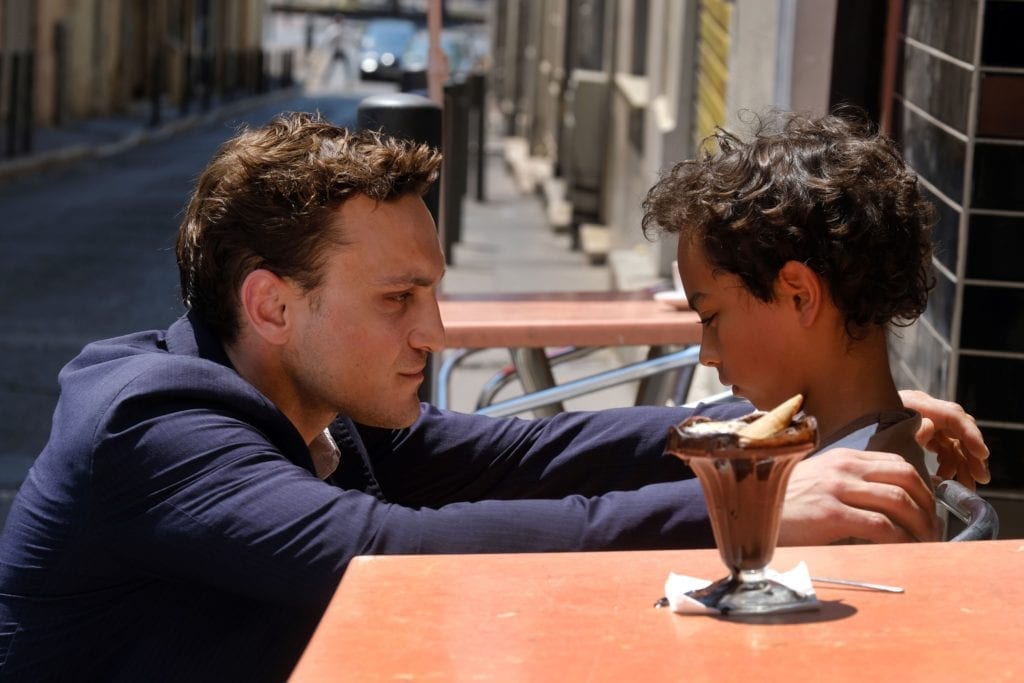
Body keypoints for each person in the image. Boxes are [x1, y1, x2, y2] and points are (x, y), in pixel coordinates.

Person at [0, 112, 988, 680]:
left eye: (432, 292)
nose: (433, 334)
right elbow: (383, 553)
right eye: (397, 299)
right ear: (271, 305)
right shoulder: (152, 426)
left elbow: (522, 455)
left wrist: (774, 425)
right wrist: (750, 500)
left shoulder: (324, 407)